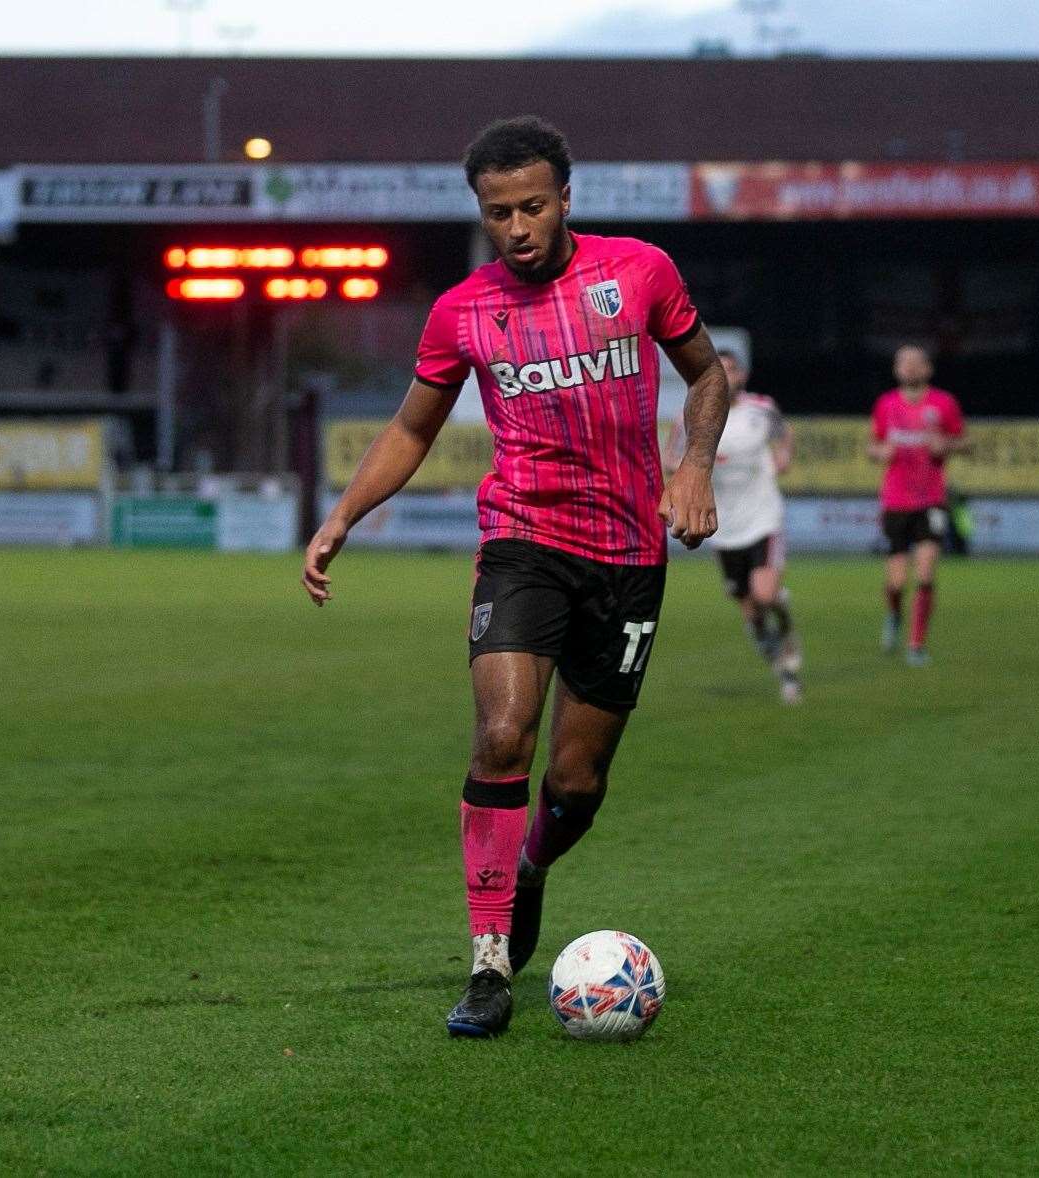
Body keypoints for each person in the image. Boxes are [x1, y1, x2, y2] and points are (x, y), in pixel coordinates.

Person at [301, 116, 729, 1039]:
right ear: (481, 214)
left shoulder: (638, 272)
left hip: (626, 556)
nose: (518, 226)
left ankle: (530, 865)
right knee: (502, 735)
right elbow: (413, 427)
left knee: (575, 785)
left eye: (533, 205)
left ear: (566, 198)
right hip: (522, 540)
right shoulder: (462, 311)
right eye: (499, 212)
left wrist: (693, 465)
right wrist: (341, 517)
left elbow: (705, 375)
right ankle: (489, 963)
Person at [671, 349, 803, 703]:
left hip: (763, 517)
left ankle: (787, 638)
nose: (726, 375)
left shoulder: (762, 408)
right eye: (720, 369)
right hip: (724, 528)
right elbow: (673, 456)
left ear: (742, 375)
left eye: (731, 369)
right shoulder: (694, 414)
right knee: (749, 610)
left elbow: (784, 433)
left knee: (764, 594)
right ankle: (780, 663)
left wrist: (783, 457)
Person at [869, 345, 967, 666]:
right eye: (903, 363)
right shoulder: (886, 404)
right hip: (896, 501)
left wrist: (947, 445)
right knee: (896, 582)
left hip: (931, 500)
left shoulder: (944, 403)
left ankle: (916, 644)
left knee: (925, 573)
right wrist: (880, 453)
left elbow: (962, 440)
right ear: (896, 369)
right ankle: (894, 614)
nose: (909, 368)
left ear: (928, 369)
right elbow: (874, 446)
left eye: (915, 363)